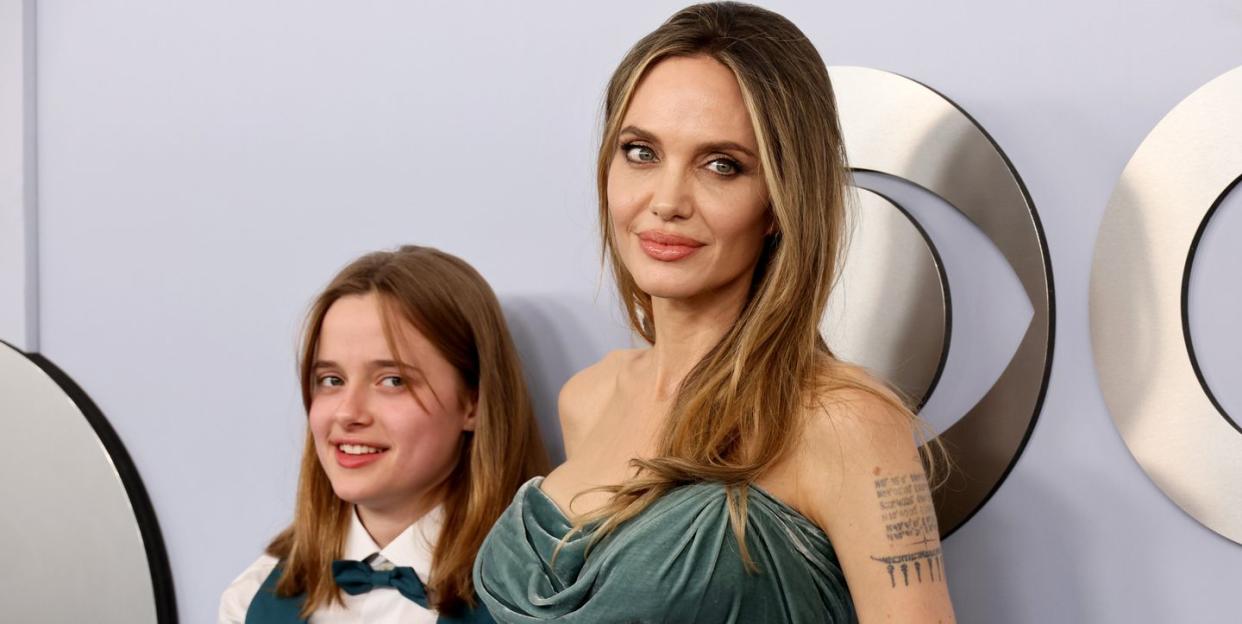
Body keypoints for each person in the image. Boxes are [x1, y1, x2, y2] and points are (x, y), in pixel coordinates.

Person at [473, 3, 956, 622]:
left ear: (781, 202)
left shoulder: (843, 422)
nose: (667, 200)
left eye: (721, 165)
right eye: (641, 152)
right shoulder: (587, 399)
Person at [220, 246, 548, 623]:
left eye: (392, 380)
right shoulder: (250, 600)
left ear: (473, 403)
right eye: (331, 380)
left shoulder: (543, 598)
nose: (347, 412)